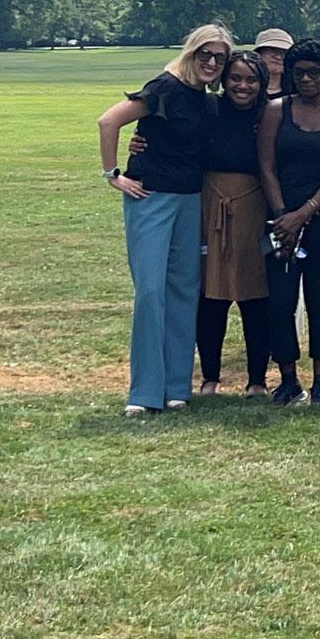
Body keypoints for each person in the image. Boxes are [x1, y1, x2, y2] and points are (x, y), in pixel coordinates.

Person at [98, 24, 228, 417]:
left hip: (190, 199)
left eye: (219, 57)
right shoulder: (165, 88)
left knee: (184, 291)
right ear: (191, 53)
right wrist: (113, 175)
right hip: (151, 197)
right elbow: (109, 121)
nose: (211, 62)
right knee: (151, 293)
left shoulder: (206, 100)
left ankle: (176, 387)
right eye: (205, 54)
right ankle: (144, 391)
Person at [258, 39, 320, 406]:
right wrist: (282, 215)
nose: (305, 79)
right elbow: (267, 166)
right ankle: (287, 378)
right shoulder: (275, 110)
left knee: (319, 298)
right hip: (279, 216)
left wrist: (304, 213)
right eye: (298, 72)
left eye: (313, 72)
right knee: (280, 300)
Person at [192, 50, 272, 397]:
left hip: (256, 207)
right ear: (224, 79)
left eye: (251, 79)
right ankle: (210, 376)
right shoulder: (207, 109)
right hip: (210, 208)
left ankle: (257, 379)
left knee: (257, 296)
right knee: (211, 295)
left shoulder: (270, 114)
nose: (243, 86)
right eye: (235, 78)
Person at [254, 28, 293, 98]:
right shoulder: (247, 89)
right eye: (272, 50)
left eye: (284, 52)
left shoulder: (297, 91)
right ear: (259, 53)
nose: (278, 57)